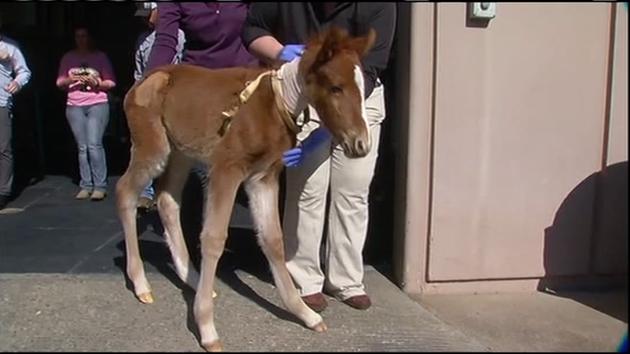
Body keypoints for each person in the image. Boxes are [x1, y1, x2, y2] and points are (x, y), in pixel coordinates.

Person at [242, 3, 396, 312]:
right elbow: (253, 29)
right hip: (303, 100)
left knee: (352, 190)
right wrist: (281, 51)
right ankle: (303, 278)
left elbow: (369, 69)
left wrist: (329, 131)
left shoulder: (378, 6)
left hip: (357, 102)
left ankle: (347, 280)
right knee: (306, 189)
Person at [133, 2, 185, 210]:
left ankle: (168, 191)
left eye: (150, 14)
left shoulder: (179, 35)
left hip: (173, 96)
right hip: (149, 95)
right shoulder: (142, 40)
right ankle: (145, 193)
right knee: (146, 145)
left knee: (172, 149)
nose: (146, 19)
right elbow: (138, 69)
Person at [56, 26, 116, 201]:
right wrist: (70, 79)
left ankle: (100, 186)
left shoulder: (100, 57)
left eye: (84, 36)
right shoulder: (68, 57)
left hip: (96, 103)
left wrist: (97, 82)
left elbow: (111, 81)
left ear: (90, 38)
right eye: (78, 36)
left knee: (94, 144)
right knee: (82, 147)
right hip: (74, 104)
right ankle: (85, 184)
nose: (81, 39)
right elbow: (59, 82)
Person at [0, 32, 31, 211]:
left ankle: (3, 191)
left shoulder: (10, 46)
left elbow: (24, 71)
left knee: (3, 148)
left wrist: (18, 83)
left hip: (1, 101)